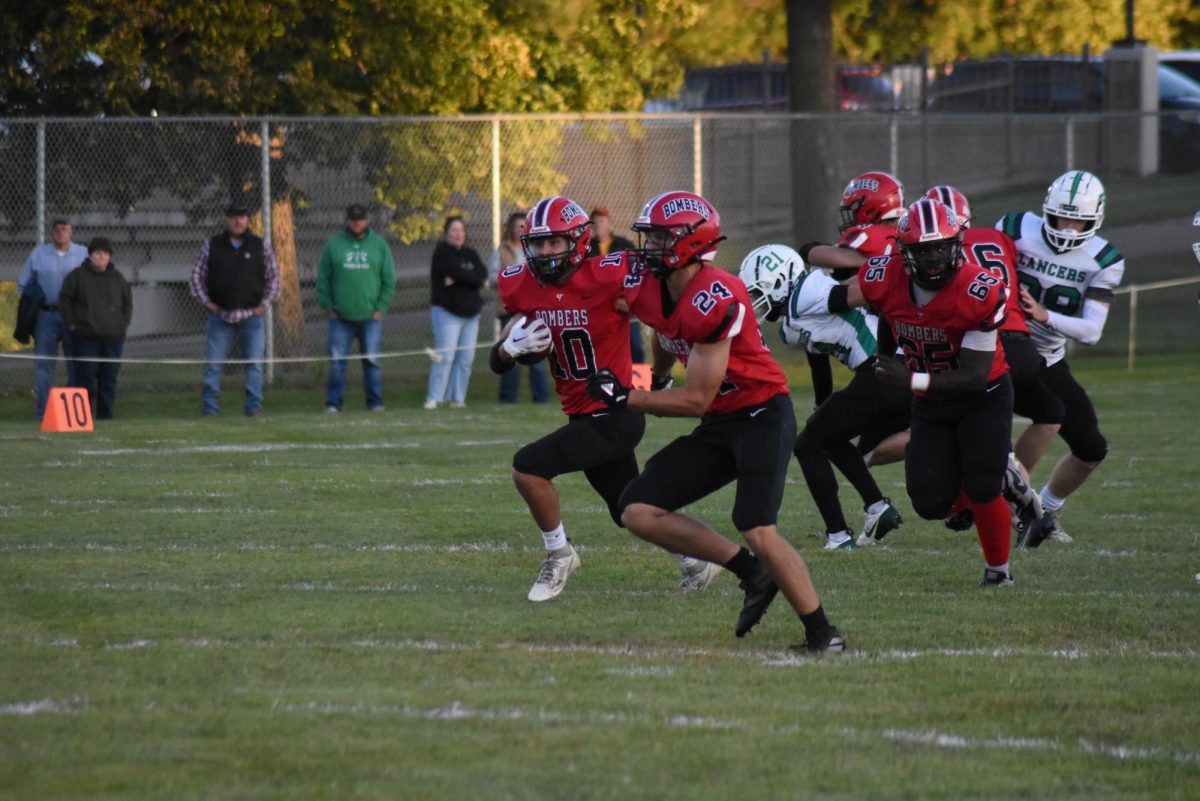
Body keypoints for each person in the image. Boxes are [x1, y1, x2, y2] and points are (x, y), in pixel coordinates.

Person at [588, 190, 845, 652]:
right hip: (723, 421)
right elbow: (664, 329)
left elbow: (699, 400)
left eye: (661, 239)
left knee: (757, 526)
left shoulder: (716, 295)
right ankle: (751, 573)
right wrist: (660, 376)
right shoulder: (652, 284)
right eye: (648, 238)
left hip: (761, 412)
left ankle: (823, 633)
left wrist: (630, 396)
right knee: (637, 510)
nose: (648, 249)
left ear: (691, 242)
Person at [492, 196, 719, 601]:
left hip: (617, 409)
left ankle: (559, 554)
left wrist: (658, 372)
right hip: (582, 414)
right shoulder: (521, 284)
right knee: (628, 510)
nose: (545, 252)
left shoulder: (613, 275)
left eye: (555, 243)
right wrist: (509, 349)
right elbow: (498, 361)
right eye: (539, 243)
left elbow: (665, 303)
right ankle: (698, 561)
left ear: (578, 242)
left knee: (528, 467)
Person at [832, 197, 1015, 586]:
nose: (932, 258)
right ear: (903, 252)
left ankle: (998, 572)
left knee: (982, 485)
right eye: (922, 250)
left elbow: (974, 377)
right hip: (931, 400)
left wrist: (908, 378)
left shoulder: (978, 290)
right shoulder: (882, 276)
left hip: (983, 396)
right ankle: (995, 483)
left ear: (956, 245)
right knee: (930, 503)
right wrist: (885, 359)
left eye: (940, 248)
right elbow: (886, 312)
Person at [738, 244, 906, 551]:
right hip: (882, 374)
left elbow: (860, 295)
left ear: (781, 279)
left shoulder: (807, 290)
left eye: (756, 290)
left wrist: (890, 280)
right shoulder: (791, 322)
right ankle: (877, 508)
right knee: (827, 436)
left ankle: (839, 535)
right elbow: (820, 365)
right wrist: (822, 407)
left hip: (884, 369)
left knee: (806, 445)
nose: (753, 301)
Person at [998, 171, 1125, 548]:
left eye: (1078, 220)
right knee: (1046, 416)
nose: (1068, 229)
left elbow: (1091, 331)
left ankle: (1046, 511)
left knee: (1091, 449)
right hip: (997, 346)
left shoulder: (1104, 258)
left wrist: (1045, 316)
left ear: (1095, 219)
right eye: (1060, 219)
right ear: (1045, 212)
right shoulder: (1016, 228)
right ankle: (1018, 507)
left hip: (1046, 356)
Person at [930, 184, 1054, 533]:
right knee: (1043, 413)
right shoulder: (999, 240)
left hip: (988, 343)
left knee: (975, 432)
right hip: (1024, 345)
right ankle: (985, 500)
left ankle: (1029, 512)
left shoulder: (943, 251)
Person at [795, 172, 907, 464]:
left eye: (856, 208)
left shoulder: (872, 234)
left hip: (894, 353)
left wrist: (806, 249)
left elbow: (817, 254)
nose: (852, 216)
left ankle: (945, 437)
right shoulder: (902, 234)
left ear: (871, 207)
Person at [189, 201, 281, 418]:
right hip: (220, 316)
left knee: (255, 365)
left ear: (247, 220)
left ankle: (253, 408)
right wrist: (206, 302)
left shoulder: (261, 245)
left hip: (251, 316)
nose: (237, 221)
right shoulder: (212, 245)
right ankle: (209, 409)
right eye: (233, 217)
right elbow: (196, 276)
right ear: (226, 220)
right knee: (213, 365)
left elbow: (275, 278)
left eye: (241, 216)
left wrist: (263, 307)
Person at [316, 204, 396, 413]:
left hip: (370, 316)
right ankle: (333, 404)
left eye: (360, 219)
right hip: (340, 318)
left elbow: (389, 279)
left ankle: (375, 402)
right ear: (347, 221)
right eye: (353, 219)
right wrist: (328, 306)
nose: (356, 223)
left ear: (367, 221)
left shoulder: (378, 245)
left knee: (372, 362)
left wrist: (381, 308)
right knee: (336, 363)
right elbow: (323, 278)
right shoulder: (334, 244)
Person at [16, 218, 88, 420]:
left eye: (65, 229)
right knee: (44, 365)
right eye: (57, 230)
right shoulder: (39, 254)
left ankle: (73, 413)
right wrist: (35, 307)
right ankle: (44, 411)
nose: (61, 233)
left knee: (75, 362)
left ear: (71, 231)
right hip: (46, 315)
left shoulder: (82, 254)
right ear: (51, 233)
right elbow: (23, 284)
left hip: (72, 315)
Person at [59, 237, 132, 420]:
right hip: (86, 337)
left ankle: (105, 416)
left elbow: (127, 303)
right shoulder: (77, 276)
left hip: (113, 338)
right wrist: (73, 325)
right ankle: (82, 417)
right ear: (90, 255)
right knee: (86, 379)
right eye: (98, 254)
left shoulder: (118, 278)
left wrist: (122, 326)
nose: (102, 258)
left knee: (108, 379)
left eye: (106, 254)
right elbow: (65, 300)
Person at [426, 216, 487, 409]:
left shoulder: (471, 253)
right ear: (446, 233)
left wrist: (462, 279)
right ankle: (434, 398)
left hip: (471, 315)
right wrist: (472, 280)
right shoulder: (442, 253)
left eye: (461, 230)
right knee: (445, 357)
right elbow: (459, 272)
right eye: (453, 230)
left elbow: (482, 273)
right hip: (447, 313)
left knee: (465, 359)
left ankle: (457, 399)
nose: (458, 234)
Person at [489, 211, 548, 404]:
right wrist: (513, 283)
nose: (519, 230)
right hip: (511, 310)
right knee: (509, 352)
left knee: (538, 358)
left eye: (523, 226)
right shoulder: (502, 250)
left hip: (534, 310)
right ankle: (507, 399)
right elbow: (492, 277)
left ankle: (541, 399)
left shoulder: (536, 249)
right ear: (510, 229)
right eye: (517, 226)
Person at [586, 206, 644, 363]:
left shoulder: (624, 245)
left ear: (609, 224)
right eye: (594, 221)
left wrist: (629, 298)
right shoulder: (586, 249)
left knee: (636, 349)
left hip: (624, 305)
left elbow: (638, 271)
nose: (597, 224)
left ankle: (638, 383)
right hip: (599, 308)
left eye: (601, 220)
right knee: (602, 352)